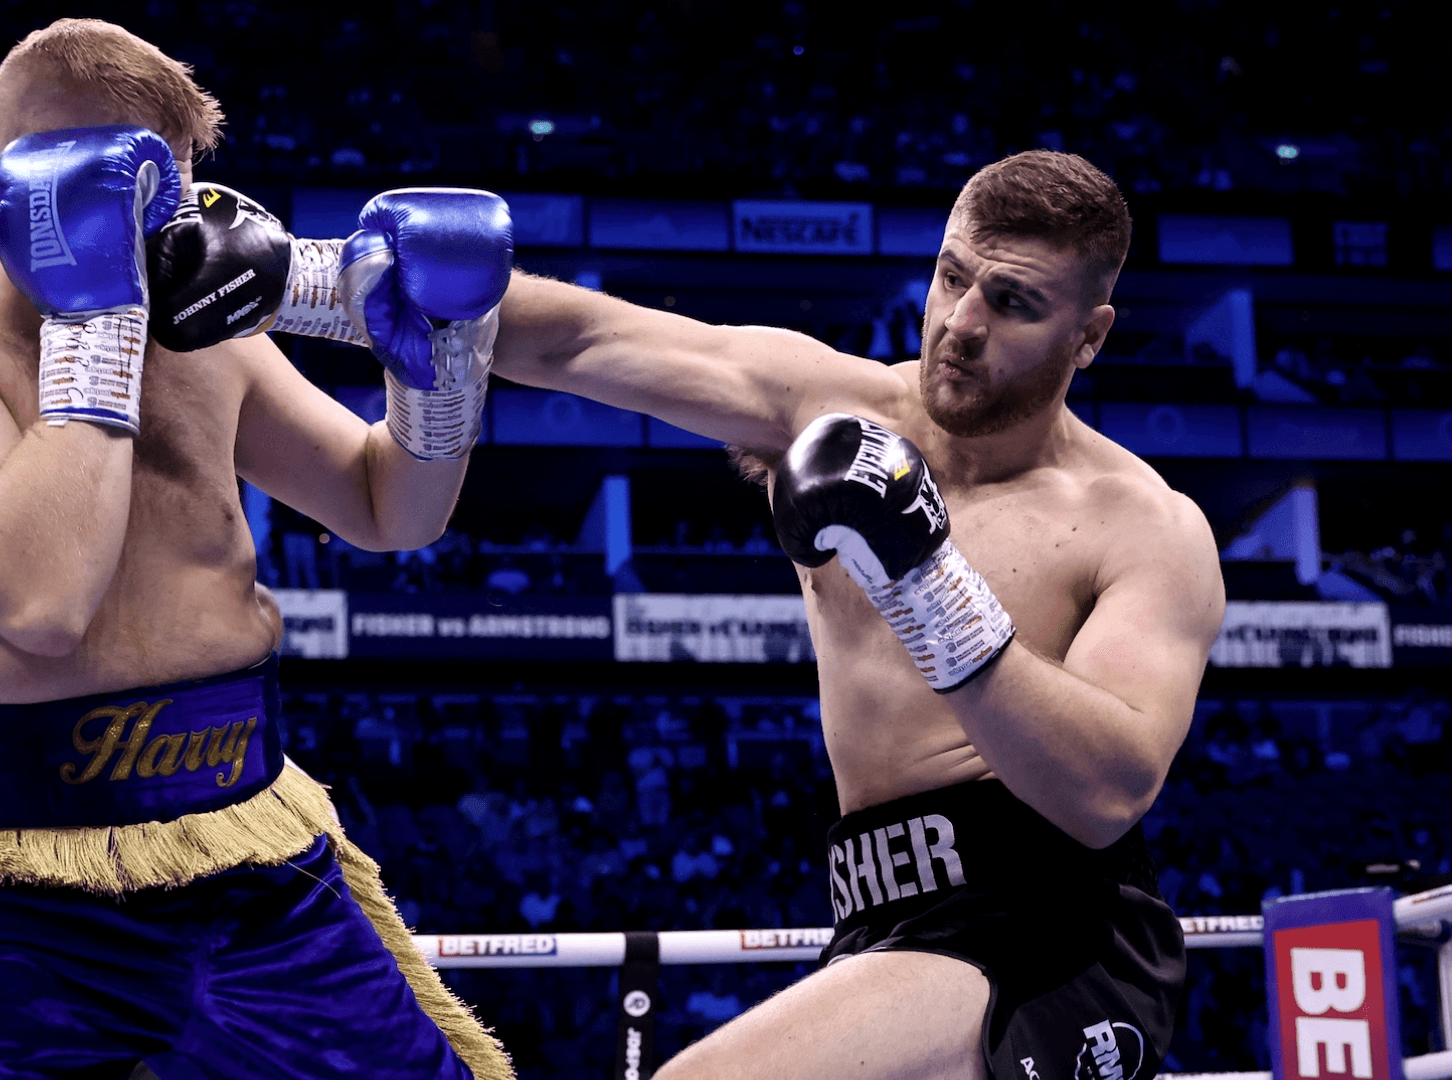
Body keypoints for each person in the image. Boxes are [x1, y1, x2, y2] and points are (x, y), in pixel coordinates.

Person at [0, 18, 512, 1080]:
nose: (173, 229)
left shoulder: (195, 331)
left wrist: (442, 372)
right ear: (39, 181)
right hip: (9, 885)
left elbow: (388, 511)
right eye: (143, 198)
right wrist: (95, 315)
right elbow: (44, 603)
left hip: (255, 848)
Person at [493, 150, 1223, 1080]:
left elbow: (1107, 794)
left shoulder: (1144, 526)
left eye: (1013, 303)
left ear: (1090, 336)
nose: (961, 324)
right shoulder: (831, 409)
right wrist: (335, 286)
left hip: (1056, 938)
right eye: (952, 277)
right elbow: (577, 341)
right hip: (881, 926)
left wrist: (928, 581)